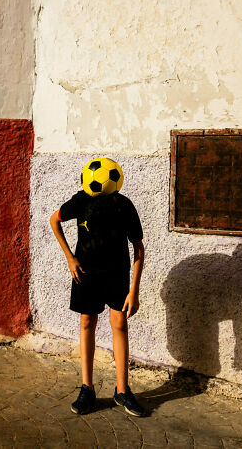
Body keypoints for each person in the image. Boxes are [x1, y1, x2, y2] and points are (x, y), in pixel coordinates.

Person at [49, 162, 145, 417]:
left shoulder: (123, 205)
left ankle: (122, 391)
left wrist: (134, 290)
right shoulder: (81, 200)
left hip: (117, 274)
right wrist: (70, 258)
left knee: (119, 324)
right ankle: (87, 388)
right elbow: (54, 220)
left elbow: (138, 248)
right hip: (86, 273)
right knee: (86, 322)